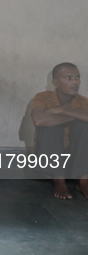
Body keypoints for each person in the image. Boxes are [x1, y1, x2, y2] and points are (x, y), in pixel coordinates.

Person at [31, 62, 88, 199]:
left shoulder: (83, 102)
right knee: (49, 126)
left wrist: (63, 110)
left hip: (76, 158)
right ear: (55, 82)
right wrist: (75, 116)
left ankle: (84, 180)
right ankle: (59, 180)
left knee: (84, 125)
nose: (75, 82)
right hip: (49, 156)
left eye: (77, 77)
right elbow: (39, 120)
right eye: (68, 78)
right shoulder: (43, 97)